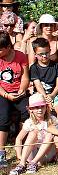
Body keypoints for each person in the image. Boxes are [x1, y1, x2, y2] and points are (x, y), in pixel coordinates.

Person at [9, 93, 58, 175]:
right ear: (30, 109)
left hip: (48, 154)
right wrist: (19, 156)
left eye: (42, 106)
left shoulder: (52, 119)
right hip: (33, 152)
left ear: (46, 107)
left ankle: (34, 162)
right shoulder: (29, 122)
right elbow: (19, 139)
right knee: (33, 132)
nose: (40, 110)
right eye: (36, 107)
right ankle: (22, 164)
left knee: (50, 133)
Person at [0, 31, 29, 166]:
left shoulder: (21, 56)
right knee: (3, 118)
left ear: (8, 47)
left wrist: (22, 89)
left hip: (19, 92)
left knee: (26, 112)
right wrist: (6, 95)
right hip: (2, 93)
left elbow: (25, 76)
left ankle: (23, 146)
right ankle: (1, 152)